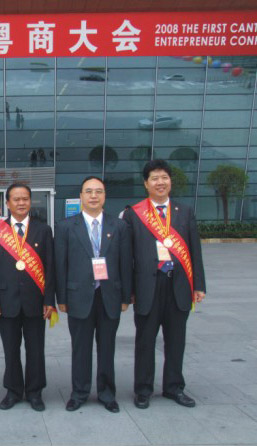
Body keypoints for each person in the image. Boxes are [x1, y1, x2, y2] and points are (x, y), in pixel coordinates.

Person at [123, 159, 206, 410]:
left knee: (176, 341)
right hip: (147, 288)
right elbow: (127, 257)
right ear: (146, 183)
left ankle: (174, 387)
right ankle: (143, 390)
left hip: (178, 286)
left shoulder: (185, 212)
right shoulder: (134, 214)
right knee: (145, 342)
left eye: (164, 178)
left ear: (170, 182)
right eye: (155, 178)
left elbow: (194, 250)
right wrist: (129, 291)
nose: (160, 182)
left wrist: (198, 285)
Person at [55, 176, 132, 413]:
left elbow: (126, 263)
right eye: (88, 191)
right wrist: (62, 299)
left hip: (109, 296)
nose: (93, 196)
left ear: (105, 196)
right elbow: (60, 265)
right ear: (81, 196)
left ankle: (107, 394)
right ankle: (79, 393)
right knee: (80, 349)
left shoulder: (119, 226)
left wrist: (126, 297)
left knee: (107, 348)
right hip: (78, 297)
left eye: (98, 191)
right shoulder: (66, 226)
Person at [0, 183, 55, 412]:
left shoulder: (43, 230)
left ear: (30, 201)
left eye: (25, 198)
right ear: (7, 203)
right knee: (10, 350)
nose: (21, 203)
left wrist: (49, 300)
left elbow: (50, 268)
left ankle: (35, 392)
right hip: (6, 302)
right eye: (16, 199)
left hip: (36, 301)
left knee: (36, 350)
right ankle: (13, 391)